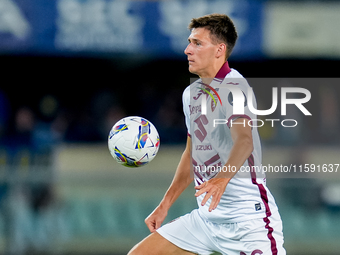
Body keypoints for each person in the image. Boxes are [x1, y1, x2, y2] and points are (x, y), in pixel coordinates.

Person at [128, 13, 285, 255]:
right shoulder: (191, 94)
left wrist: (221, 179)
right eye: (190, 42)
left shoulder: (235, 86)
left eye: (197, 43)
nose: (187, 50)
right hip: (206, 221)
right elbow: (192, 155)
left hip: (247, 222)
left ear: (219, 50)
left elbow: (244, 142)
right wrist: (165, 205)